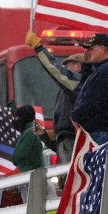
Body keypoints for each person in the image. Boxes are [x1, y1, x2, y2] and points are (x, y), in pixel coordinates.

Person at [25, 31, 83, 166]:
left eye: (67, 66)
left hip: (72, 142)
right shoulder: (66, 91)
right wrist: (44, 135)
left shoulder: (77, 84)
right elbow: (61, 134)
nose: (64, 69)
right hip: (66, 143)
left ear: (77, 66)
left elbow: (55, 70)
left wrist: (38, 47)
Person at [70, 33, 108, 145]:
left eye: (91, 48)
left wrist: (75, 116)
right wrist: (86, 65)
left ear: (102, 49)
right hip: (100, 132)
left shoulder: (106, 71)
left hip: (102, 133)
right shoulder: (101, 70)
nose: (88, 52)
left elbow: (93, 101)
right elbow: (85, 88)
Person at [9, 103, 45, 204]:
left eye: (17, 118)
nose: (15, 122)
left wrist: (14, 157)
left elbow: (18, 156)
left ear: (23, 118)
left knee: (32, 207)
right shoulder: (30, 131)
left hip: (31, 176)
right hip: (32, 175)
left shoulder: (29, 133)